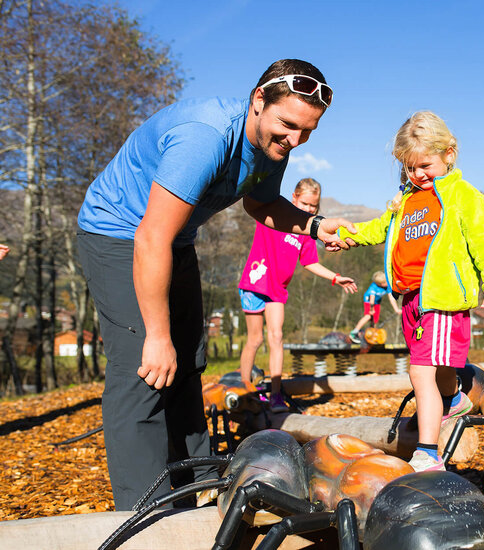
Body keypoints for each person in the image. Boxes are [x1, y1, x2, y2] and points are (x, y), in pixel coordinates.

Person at [76, 58, 355, 510]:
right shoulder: (203, 138)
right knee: (145, 368)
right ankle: (147, 512)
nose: (295, 140)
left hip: (173, 239)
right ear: (259, 99)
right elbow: (150, 237)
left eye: (308, 131)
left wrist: (313, 225)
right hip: (120, 235)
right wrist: (157, 334)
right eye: (288, 125)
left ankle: (199, 483)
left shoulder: (272, 144)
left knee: (188, 361)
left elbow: (260, 204)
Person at [338, 111, 484, 471]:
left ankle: (428, 453)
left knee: (420, 372)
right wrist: (344, 236)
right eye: (410, 168)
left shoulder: (462, 195)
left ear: (449, 154)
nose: (418, 174)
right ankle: (454, 399)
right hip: (411, 299)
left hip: (441, 299)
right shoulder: (406, 200)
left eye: (425, 165)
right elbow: (379, 228)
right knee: (438, 367)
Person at [239, 177, 357, 412]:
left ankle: (275, 395)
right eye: (305, 204)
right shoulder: (275, 215)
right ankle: (244, 389)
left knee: (277, 337)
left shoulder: (307, 231)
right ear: (294, 198)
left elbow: (309, 262)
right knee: (256, 339)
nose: (309, 209)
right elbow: (258, 199)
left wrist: (335, 277)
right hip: (255, 283)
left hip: (277, 290)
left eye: (314, 206)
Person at [349, 270, 400, 344]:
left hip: (377, 302)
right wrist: (371, 309)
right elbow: (372, 300)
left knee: (375, 319)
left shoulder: (387, 286)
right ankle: (354, 332)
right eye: (384, 283)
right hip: (369, 301)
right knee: (369, 316)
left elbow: (391, 297)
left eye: (386, 281)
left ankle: (372, 334)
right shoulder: (373, 287)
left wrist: (396, 309)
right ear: (379, 284)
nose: (386, 283)